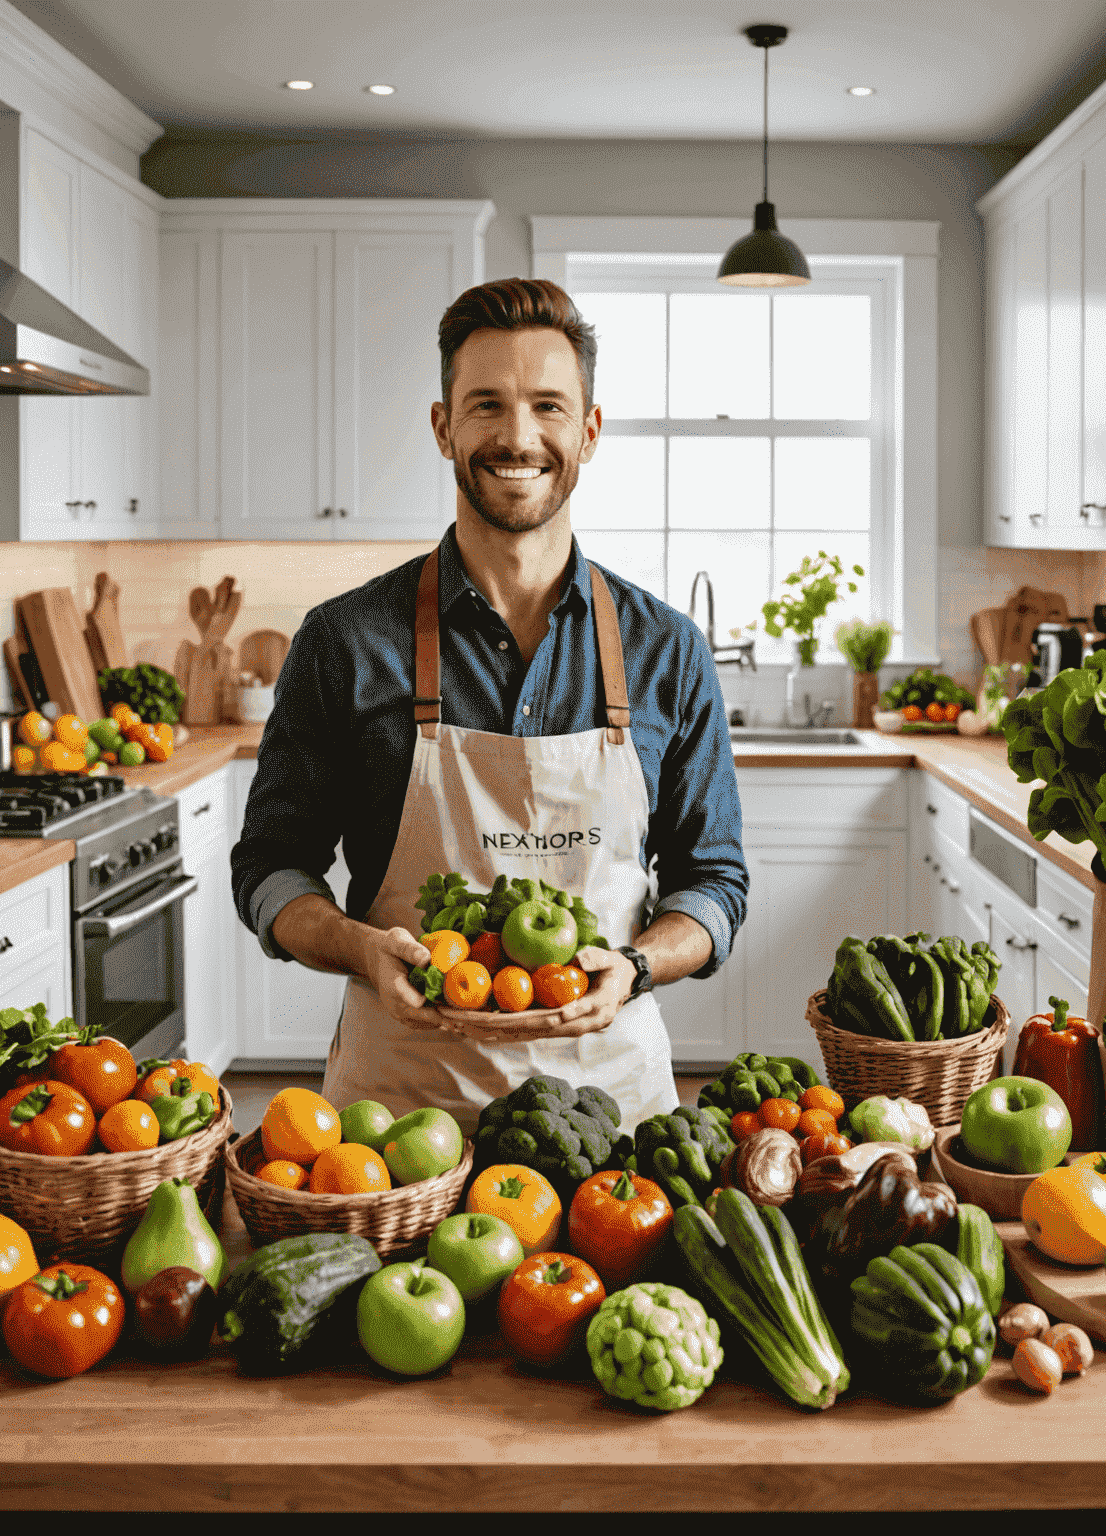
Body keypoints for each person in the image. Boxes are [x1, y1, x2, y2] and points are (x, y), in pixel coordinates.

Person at [231, 276, 749, 1133]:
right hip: (393, 1126)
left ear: (587, 431)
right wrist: (361, 946)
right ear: (444, 428)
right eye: (486, 406)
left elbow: (714, 883)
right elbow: (269, 870)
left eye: (549, 406)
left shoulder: (668, 649)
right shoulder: (344, 642)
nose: (518, 437)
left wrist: (639, 965)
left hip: (611, 1124)